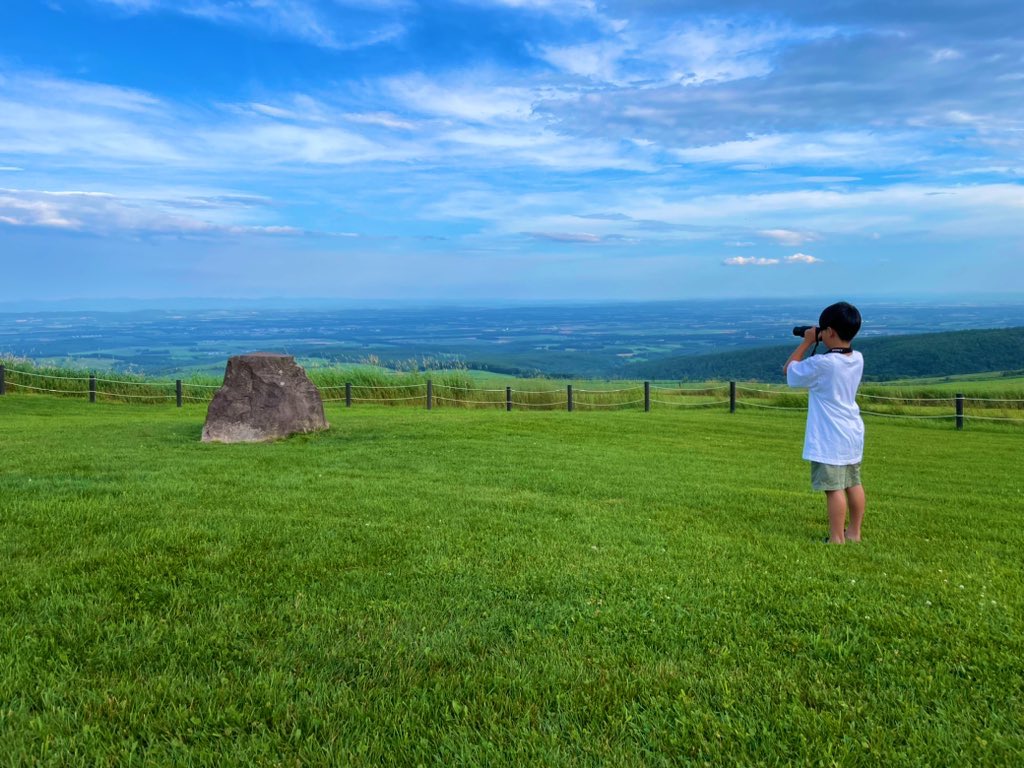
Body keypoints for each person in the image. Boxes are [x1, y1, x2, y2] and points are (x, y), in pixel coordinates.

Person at [783, 302, 866, 544]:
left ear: (829, 332)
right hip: (852, 431)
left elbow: (790, 372)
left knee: (833, 488)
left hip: (830, 435)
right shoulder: (857, 358)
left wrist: (807, 341)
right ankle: (854, 533)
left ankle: (836, 538)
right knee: (853, 483)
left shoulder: (823, 364)